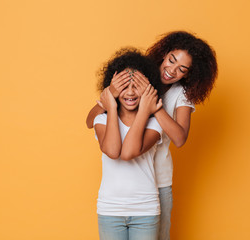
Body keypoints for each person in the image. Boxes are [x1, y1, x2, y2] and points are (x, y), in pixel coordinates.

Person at [88, 31, 218, 240]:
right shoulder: (137, 75)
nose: (172, 70)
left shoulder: (179, 95)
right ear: (164, 54)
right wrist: (110, 98)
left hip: (157, 182)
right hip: (123, 192)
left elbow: (179, 138)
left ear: (189, 74)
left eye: (182, 69)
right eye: (171, 60)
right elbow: (91, 121)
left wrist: (154, 108)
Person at [93, 48, 164, 240]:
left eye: (137, 87)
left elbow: (129, 152)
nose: (131, 92)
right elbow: (112, 151)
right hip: (110, 210)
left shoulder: (155, 123)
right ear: (113, 90)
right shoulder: (101, 120)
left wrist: (145, 109)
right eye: (124, 87)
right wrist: (111, 107)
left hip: (145, 211)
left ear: (149, 89)